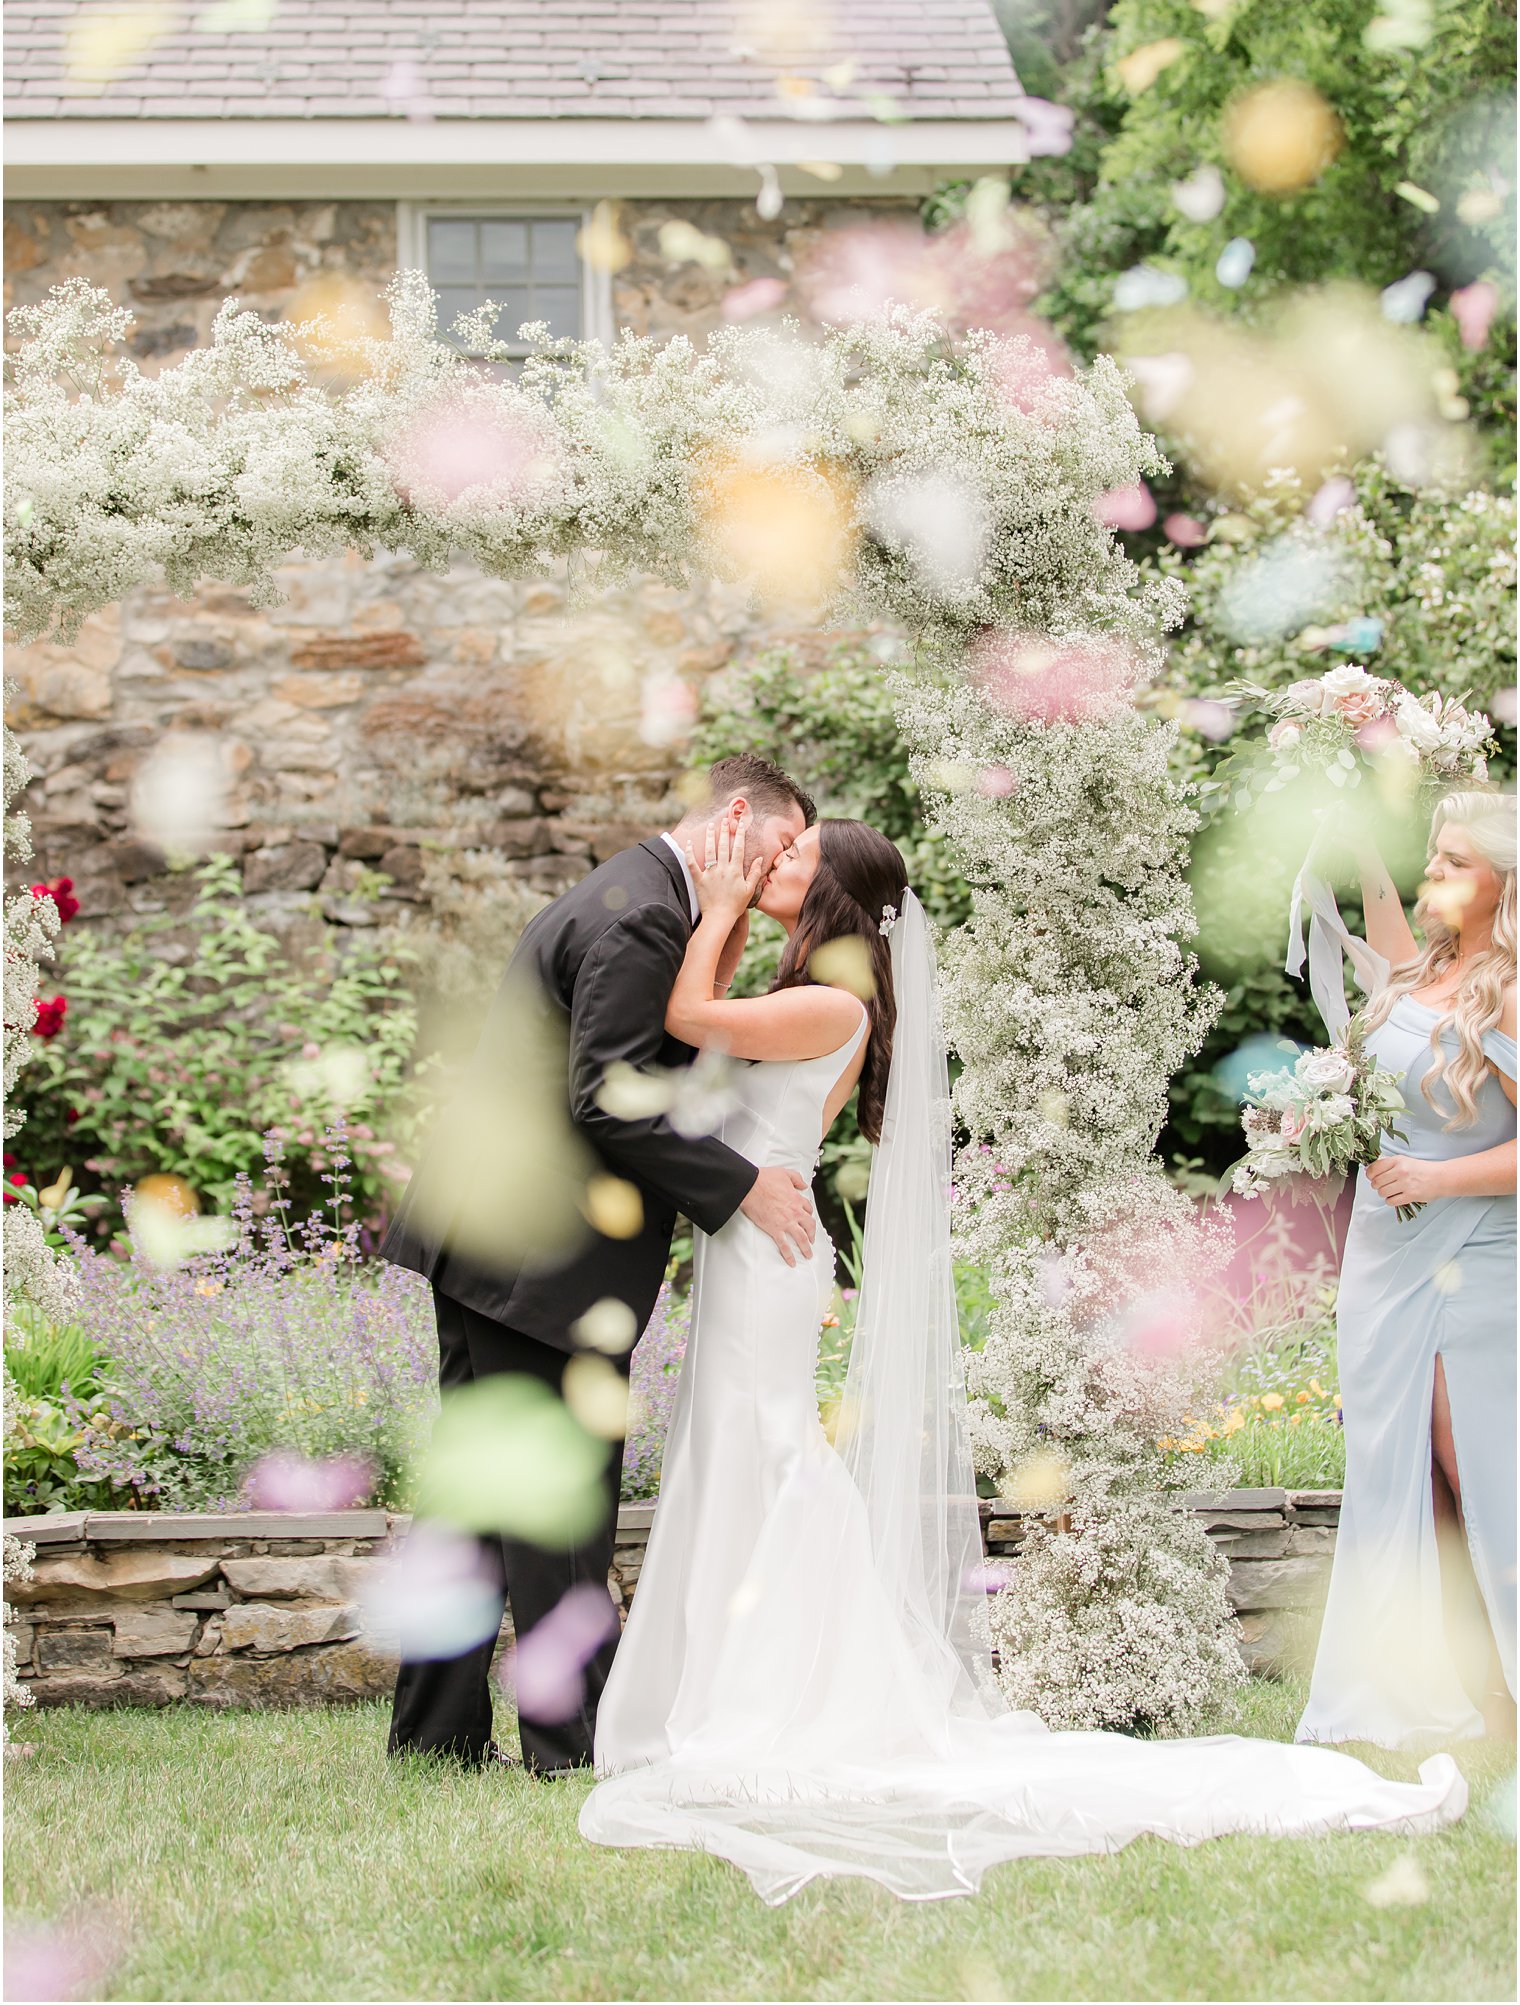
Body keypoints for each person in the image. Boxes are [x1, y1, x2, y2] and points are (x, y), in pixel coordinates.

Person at [578, 816, 1467, 1904]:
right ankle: (714, 1680)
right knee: (730, 1448)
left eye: (791, 862)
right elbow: (702, 1037)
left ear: (834, 904)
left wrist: (710, 901)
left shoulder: (827, 1004)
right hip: (749, 1248)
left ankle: (807, 1692)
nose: (769, 864)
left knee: (770, 1450)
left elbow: (677, 1014)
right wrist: (722, 918)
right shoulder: (795, 989)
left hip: (767, 1258)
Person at [379, 753, 819, 1775]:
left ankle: (435, 1739)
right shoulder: (639, 916)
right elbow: (606, 1096)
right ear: (738, 816)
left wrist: (727, 923)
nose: (786, 863)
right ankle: (573, 1745)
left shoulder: (647, 895)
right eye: (784, 843)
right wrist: (738, 1183)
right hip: (535, 1258)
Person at [1298, 791, 1516, 1750]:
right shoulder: (1424, 970)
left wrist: (1436, 1172)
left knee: (1483, 1470)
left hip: (1473, 1253)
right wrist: (1363, 851)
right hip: (1383, 1257)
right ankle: (1434, 1688)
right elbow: (1386, 945)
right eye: (1433, 856)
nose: (1437, 873)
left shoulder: (1507, 988)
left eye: (1455, 861)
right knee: (1400, 1470)